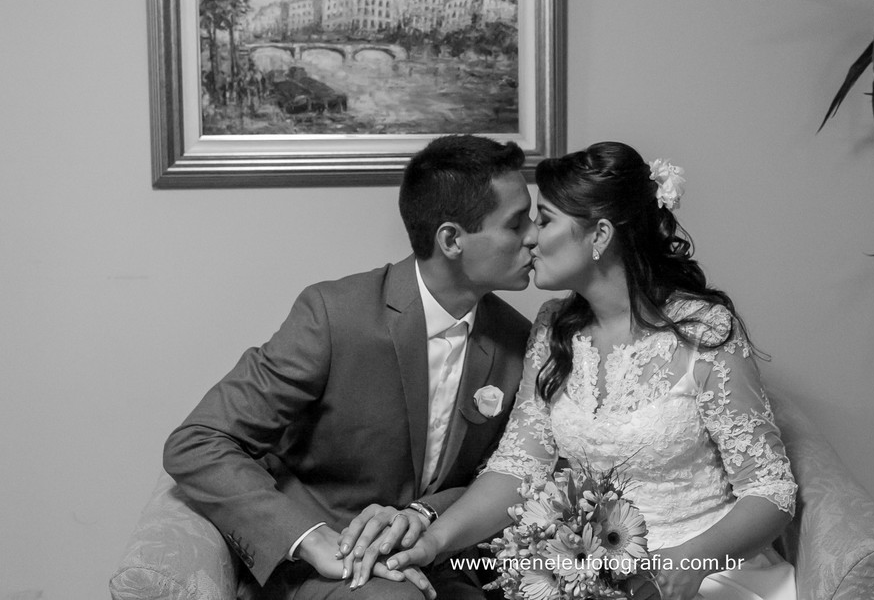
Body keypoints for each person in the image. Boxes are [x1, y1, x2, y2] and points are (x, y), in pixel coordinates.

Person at [344, 141, 798, 600]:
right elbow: (519, 468)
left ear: (599, 236)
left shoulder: (704, 331)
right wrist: (434, 541)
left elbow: (771, 489)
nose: (530, 238)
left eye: (543, 220)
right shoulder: (552, 328)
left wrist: (687, 564)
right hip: (587, 577)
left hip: (700, 574)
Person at [163, 134, 537, 600]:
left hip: (445, 561)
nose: (534, 236)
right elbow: (198, 441)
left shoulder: (519, 339)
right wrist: (309, 538)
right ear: (451, 239)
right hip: (333, 564)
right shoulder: (335, 315)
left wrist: (425, 515)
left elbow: (506, 473)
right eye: (516, 223)